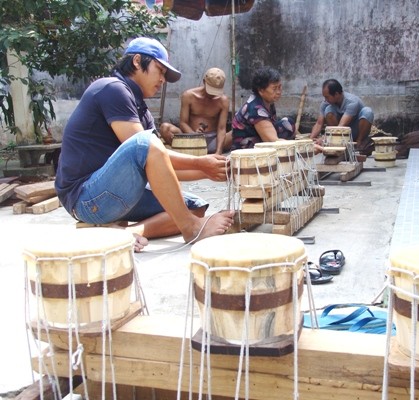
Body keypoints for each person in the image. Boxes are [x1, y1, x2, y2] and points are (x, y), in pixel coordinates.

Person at [55, 37, 234, 251]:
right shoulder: (111, 88)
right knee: (146, 143)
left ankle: (129, 234)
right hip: (86, 198)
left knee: (194, 207)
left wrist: (213, 170)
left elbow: (160, 165)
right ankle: (190, 228)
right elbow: (144, 147)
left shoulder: (141, 109)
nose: (163, 80)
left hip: (115, 193)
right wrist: (199, 163)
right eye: (160, 70)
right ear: (138, 61)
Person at [159, 67, 232, 154]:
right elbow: (183, 123)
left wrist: (218, 152)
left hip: (214, 140)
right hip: (190, 140)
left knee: (237, 132)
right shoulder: (188, 96)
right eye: (210, 90)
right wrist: (195, 136)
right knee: (165, 128)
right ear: (204, 81)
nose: (212, 95)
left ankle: (212, 151)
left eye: (215, 92)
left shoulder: (223, 101)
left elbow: (221, 128)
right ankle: (186, 151)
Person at [231, 66, 296, 150]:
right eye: (274, 88)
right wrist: (301, 147)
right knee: (277, 142)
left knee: (288, 124)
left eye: (279, 87)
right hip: (246, 147)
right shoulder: (256, 108)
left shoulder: (268, 101)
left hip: (259, 136)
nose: (279, 92)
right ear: (261, 90)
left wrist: (305, 140)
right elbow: (273, 141)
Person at [310, 79, 374, 155]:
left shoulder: (352, 102)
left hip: (355, 130)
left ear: (336, 94)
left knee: (368, 112)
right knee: (328, 110)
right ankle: (337, 142)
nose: (325, 100)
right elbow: (319, 123)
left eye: (327, 97)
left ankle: (359, 143)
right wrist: (309, 141)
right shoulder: (326, 103)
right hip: (340, 134)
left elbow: (341, 126)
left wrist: (324, 138)